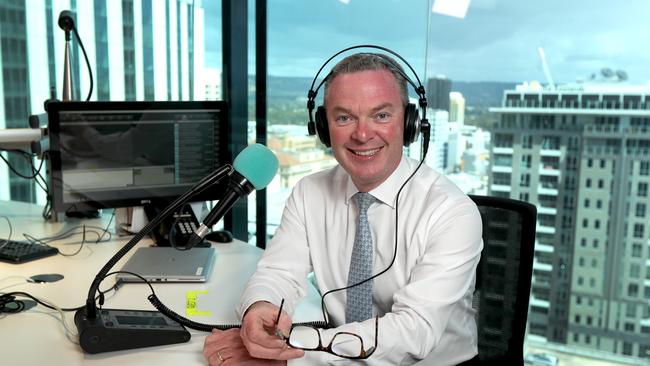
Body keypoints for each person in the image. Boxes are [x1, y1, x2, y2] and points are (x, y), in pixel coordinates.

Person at [203, 52, 483, 365]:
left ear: (409, 123)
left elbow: (413, 332)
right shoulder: (309, 193)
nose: (362, 135)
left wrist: (292, 343)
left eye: (381, 116)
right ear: (323, 127)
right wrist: (260, 311)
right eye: (344, 118)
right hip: (335, 357)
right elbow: (278, 272)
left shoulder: (453, 212)